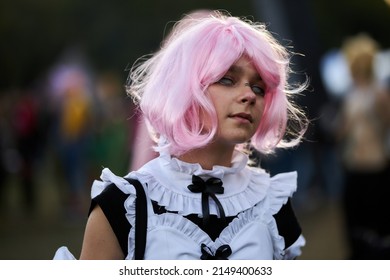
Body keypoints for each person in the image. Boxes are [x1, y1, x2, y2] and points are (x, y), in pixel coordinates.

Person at [54, 10, 308, 260]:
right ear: (185, 87)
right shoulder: (123, 204)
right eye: (227, 80)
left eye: (259, 87)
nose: (249, 96)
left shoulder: (272, 203)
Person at [337, 33, 390, 259]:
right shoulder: (350, 95)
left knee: (377, 221)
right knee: (357, 222)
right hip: (355, 165)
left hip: (376, 164)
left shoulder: (379, 92)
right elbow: (343, 130)